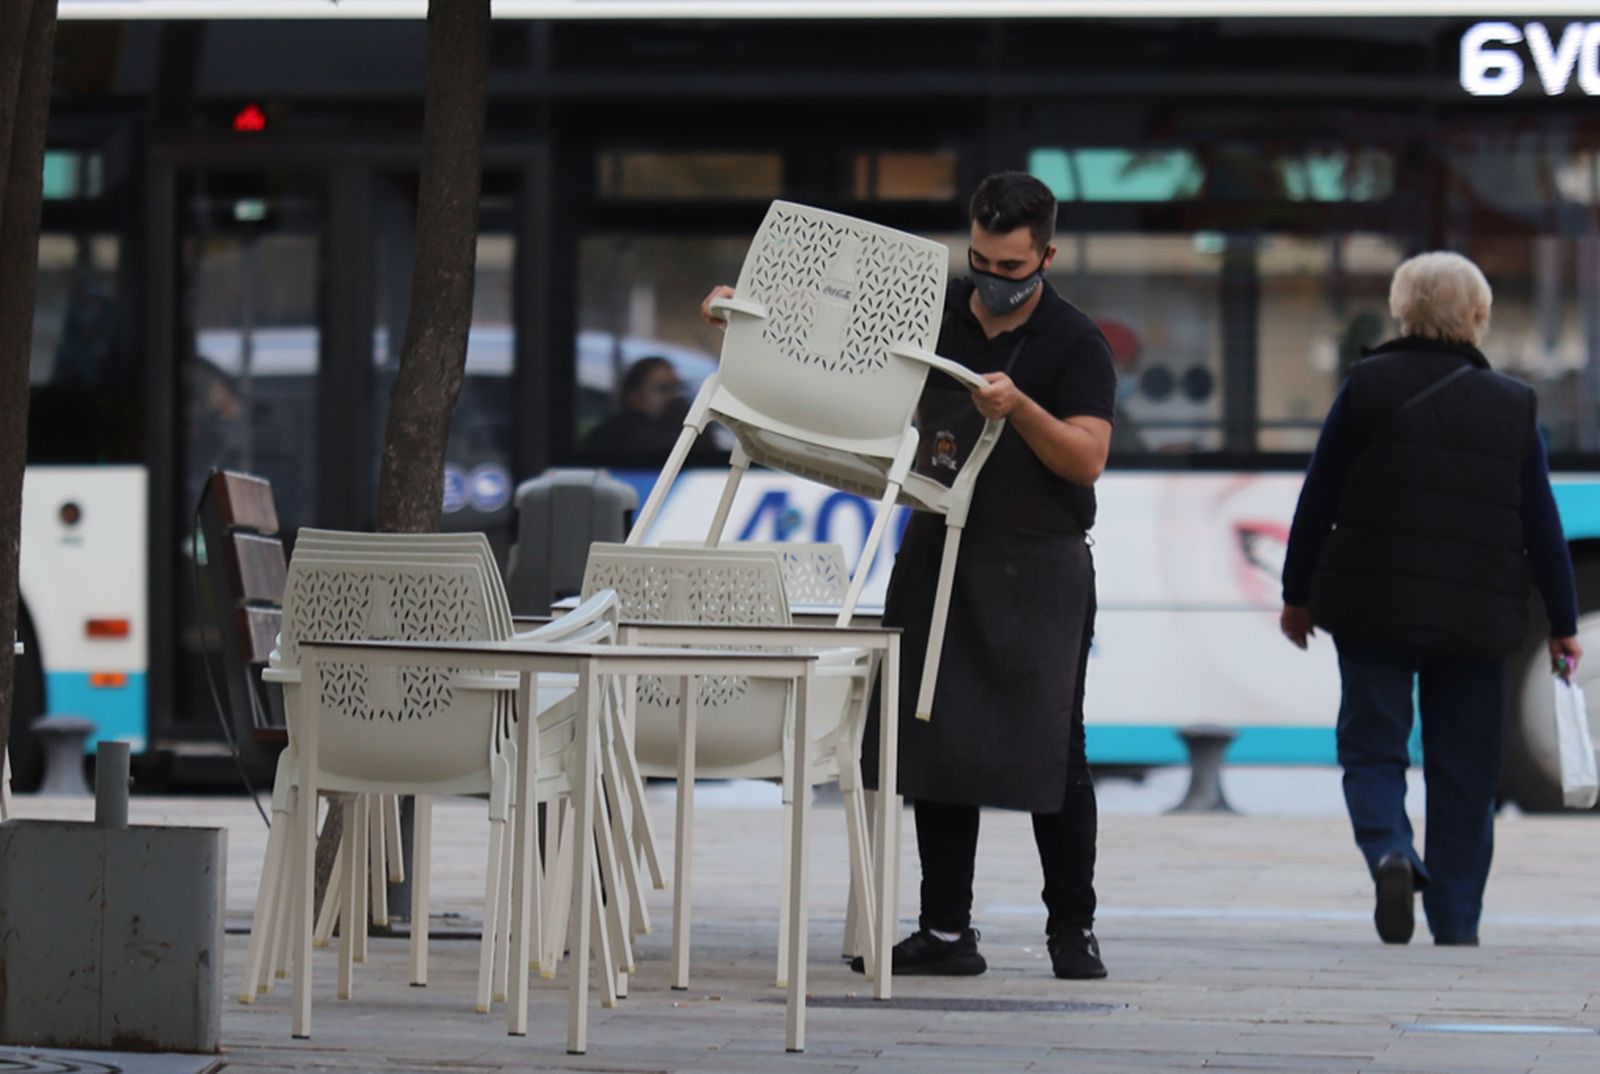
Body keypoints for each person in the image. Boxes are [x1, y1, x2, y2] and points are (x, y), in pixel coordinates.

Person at [702, 171, 1117, 979]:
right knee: (931, 739)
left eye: (1011, 268)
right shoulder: (934, 309)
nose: (992, 281)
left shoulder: (1076, 342)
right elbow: (827, 339)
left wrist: (1021, 409)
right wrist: (743, 311)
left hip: (1039, 560)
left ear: (1047, 257)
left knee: (1054, 746)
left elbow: (1087, 457)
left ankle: (1073, 930)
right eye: (981, 262)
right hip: (936, 543)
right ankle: (946, 931)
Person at [1279, 251, 1582, 947]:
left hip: (1373, 607)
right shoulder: (1513, 404)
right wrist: (1564, 623)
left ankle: (1389, 849)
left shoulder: (1366, 387)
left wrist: (1297, 596)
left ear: (1402, 312)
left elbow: (1318, 498)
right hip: (1477, 618)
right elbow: (1542, 525)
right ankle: (1456, 922)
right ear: (1478, 317)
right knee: (1465, 772)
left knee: (1373, 747)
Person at [583, 356, 689, 459]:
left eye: (677, 387)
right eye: (663, 388)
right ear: (634, 395)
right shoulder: (610, 434)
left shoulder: (682, 428)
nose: (674, 395)